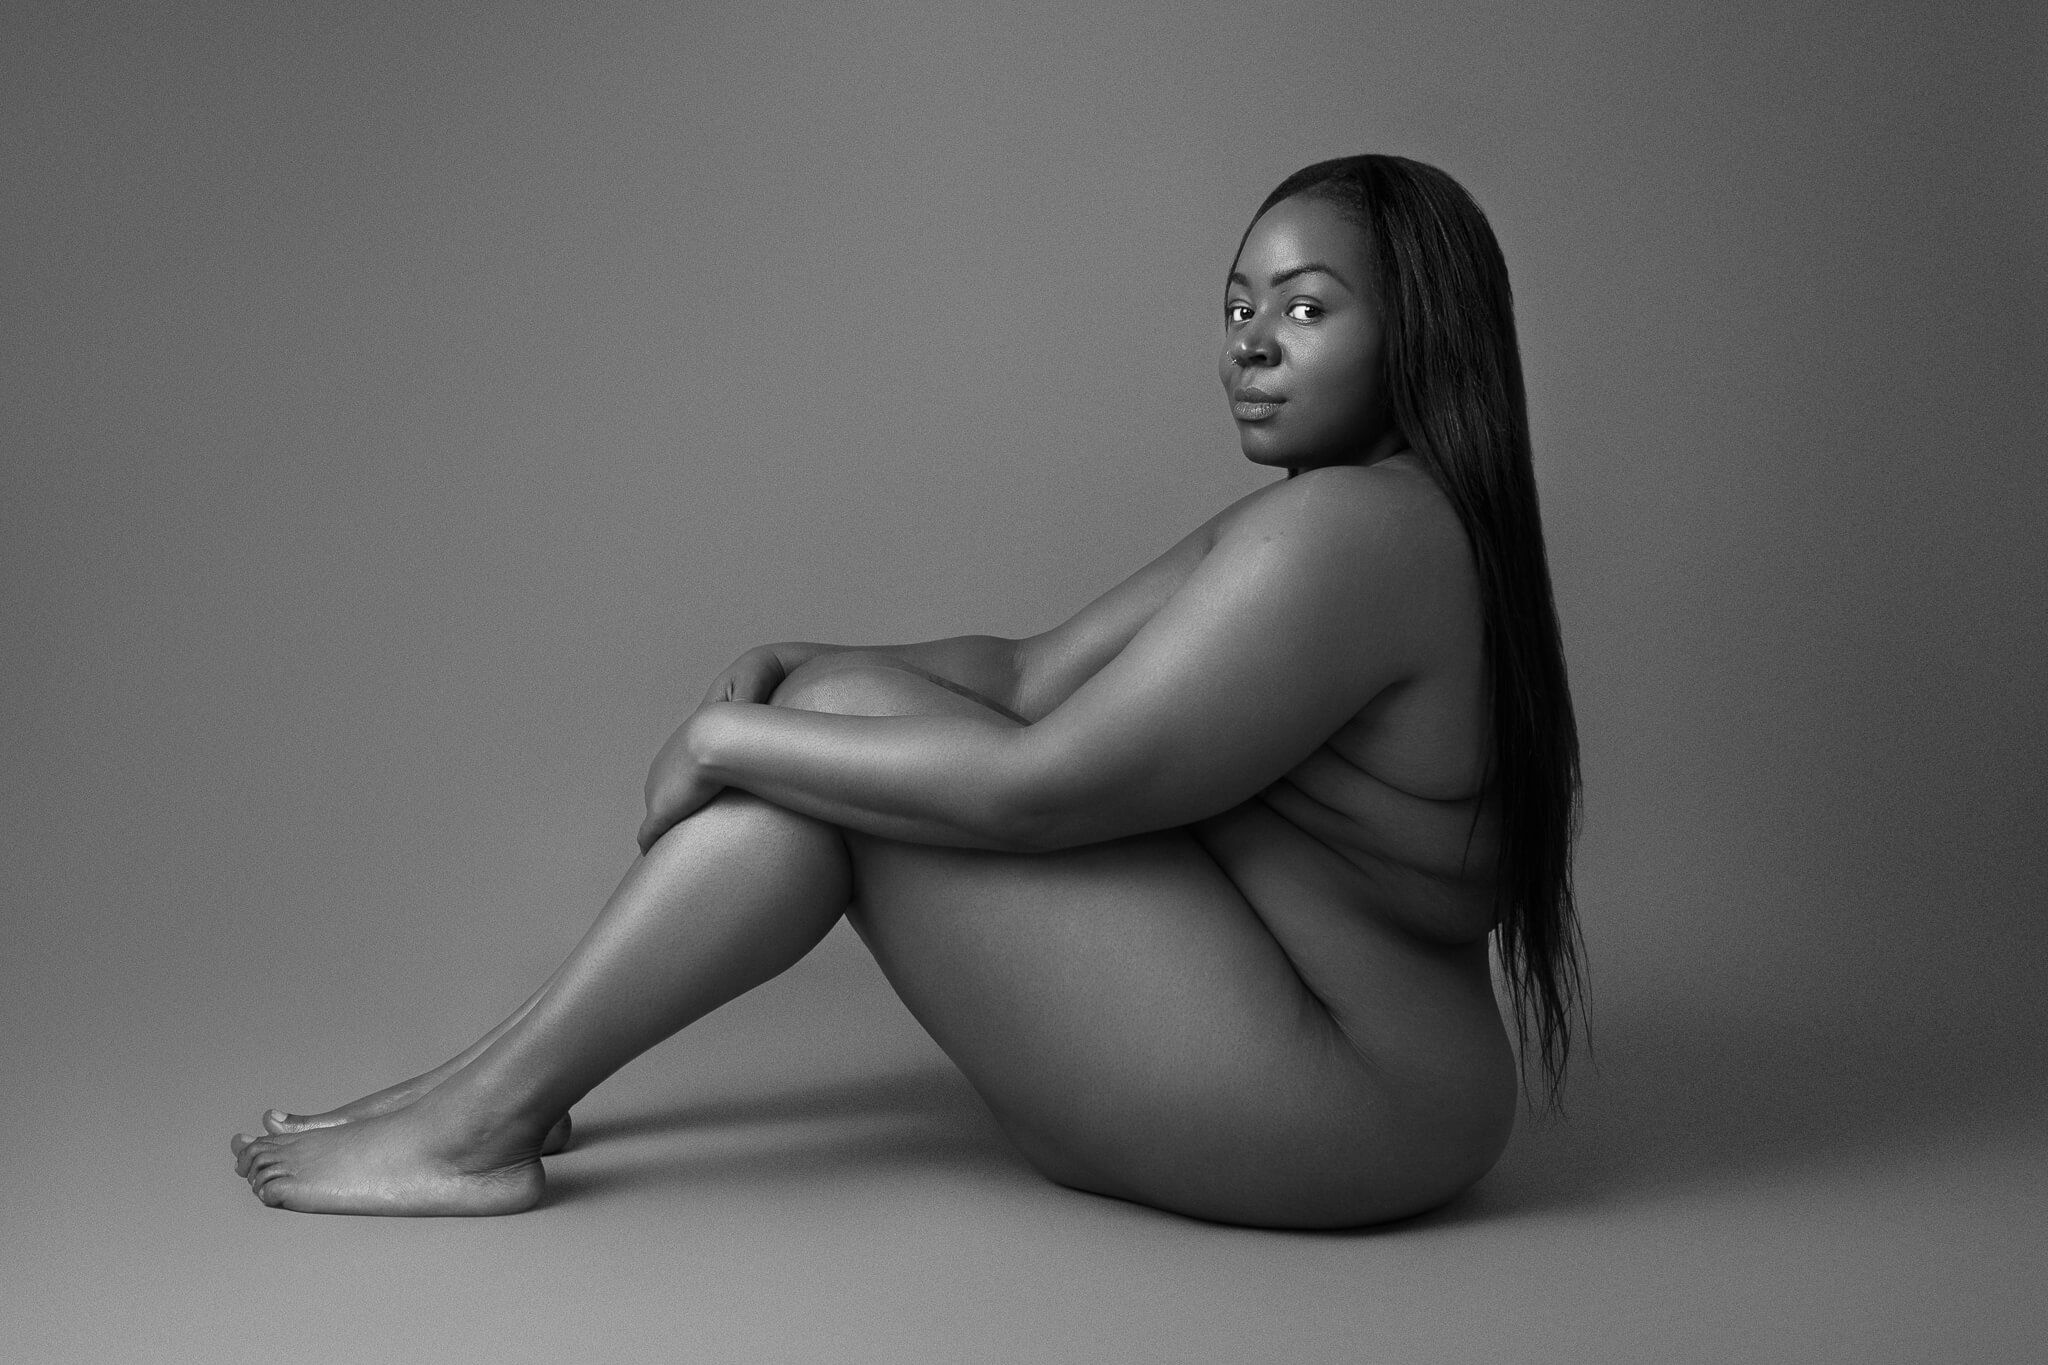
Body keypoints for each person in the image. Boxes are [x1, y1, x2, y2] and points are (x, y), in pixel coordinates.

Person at [231, 154, 1582, 1228]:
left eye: (1304, 305)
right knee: (839, 711)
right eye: (1236, 306)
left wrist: (727, 736)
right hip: (1340, 1072)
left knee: (836, 741)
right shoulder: (1358, 519)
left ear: (1422, 327)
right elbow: (1029, 673)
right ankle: (485, 1092)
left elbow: (1044, 788)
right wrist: (794, 662)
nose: (1252, 344)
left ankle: (479, 1117)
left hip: (1345, 1109)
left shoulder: (1351, 537)